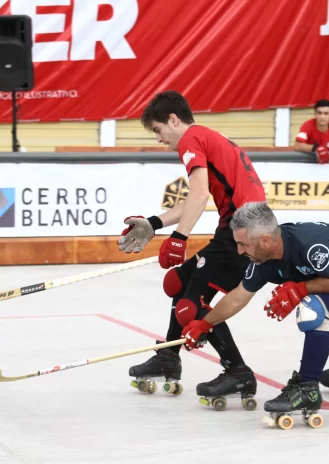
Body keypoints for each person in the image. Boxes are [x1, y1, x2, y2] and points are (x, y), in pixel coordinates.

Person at [181, 202, 329, 428]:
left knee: (314, 310)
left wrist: (300, 289)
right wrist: (204, 324)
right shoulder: (262, 259)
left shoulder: (307, 243)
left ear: (265, 240)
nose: (239, 251)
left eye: (242, 244)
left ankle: (307, 388)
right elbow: (238, 296)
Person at [119, 91, 266, 405]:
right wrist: (154, 223)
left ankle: (237, 370)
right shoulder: (206, 137)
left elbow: (199, 196)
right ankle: (169, 357)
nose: (160, 139)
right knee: (179, 282)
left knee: (191, 305)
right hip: (244, 226)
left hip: (241, 231)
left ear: (173, 120)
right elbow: (193, 199)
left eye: (158, 130)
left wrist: (179, 239)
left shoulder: (190, 140)